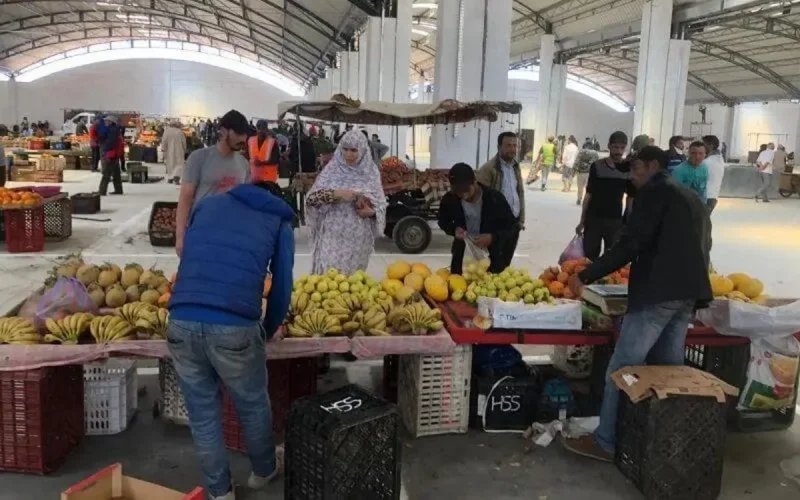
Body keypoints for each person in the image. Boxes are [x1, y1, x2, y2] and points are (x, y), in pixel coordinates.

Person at [563, 145, 712, 462]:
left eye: (637, 169)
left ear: (653, 166)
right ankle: (663, 440)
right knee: (667, 370)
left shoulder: (655, 194)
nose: (632, 176)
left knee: (622, 369)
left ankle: (606, 442)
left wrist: (586, 275)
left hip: (657, 295)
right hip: (686, 294)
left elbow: (631, 244)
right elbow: (705, 244)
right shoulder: (688, 197)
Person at [168, 181, 294, 500]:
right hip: (234, 323)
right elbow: (281, 286)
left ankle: (219, 492)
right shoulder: (278, 219)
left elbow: (191, 261)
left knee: (202, 413)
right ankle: (263, 472)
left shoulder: (207, 205)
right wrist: (268, 326)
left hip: (181, 317)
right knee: (251, 404)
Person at [305, 129, 387, 275]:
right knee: (328, 283)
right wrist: (336, 194)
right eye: (345, 149)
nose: (349, 154)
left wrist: (372, 212)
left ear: (362, 150)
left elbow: (380, 204)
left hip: (358, 243)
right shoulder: (332, 169)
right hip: (331, 238)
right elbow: (311, 199)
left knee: (351, 287)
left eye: (354, 150)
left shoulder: (371, 172)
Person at [176, 110, 252, 256]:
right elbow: (185, 198)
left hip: (232, 233)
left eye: (244, 133)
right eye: (238, 133)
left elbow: (246, 200)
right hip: (202, 230)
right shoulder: (198, 158)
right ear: (223, 132)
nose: (243, 138)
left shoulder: (243, 164)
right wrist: (180, 236)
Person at [439, 163, 517, 275]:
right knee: (459, 288)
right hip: (462, 259)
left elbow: (512, 228)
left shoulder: (495, 199)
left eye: (466, 190)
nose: (463, 195)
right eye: (458, 191)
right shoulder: (450, 199)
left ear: (474, 181)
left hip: (492, 260)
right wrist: (454, 230)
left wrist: (492, 237)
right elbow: (442, 221)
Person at [576, 131, 634, 261]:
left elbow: (630, 197)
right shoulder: (597, 166)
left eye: (622, 148)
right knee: (589, 258)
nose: (619, 151)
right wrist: (582, 221)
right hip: (593, 220)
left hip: (615, 221)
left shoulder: (628, 170)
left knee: (611, 259)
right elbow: (589, 195)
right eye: (615, 147)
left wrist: (627, 220)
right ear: (609, 146)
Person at [476, 131, 525, 265]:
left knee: (506, 262)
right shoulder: (488, 169)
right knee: (493, 264)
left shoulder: (516, 167)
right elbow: (478, 199)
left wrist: (521, 219)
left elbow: (520, 192)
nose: (513, 149)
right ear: (499, 147)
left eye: (515, 146)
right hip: (495, 226)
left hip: (513, 223)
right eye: (508, 145)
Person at [98, 115, 123, 196]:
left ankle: (101, 191)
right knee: (116, 173)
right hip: (116, 154)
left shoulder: (112, 130)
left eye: (107, 121)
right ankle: (118, 190)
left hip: (111, 154)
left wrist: (105, 150)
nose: (105, 122)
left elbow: (110, 143)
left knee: (106, 174)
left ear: (110, 122)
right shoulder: (116, 129)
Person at [702, 135, 725, 213]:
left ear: (710, 145)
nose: (702, 147)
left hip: (706, 197)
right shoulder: (719, 159)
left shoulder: (707, 162)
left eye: (704, 144)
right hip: (713, 197)